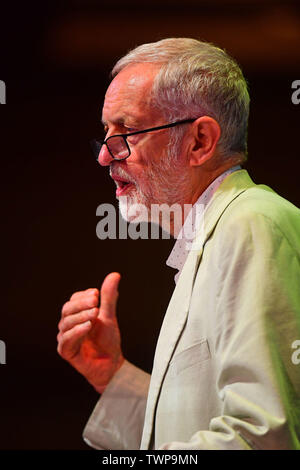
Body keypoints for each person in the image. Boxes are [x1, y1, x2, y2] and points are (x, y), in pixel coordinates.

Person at [57, 38, 300, 450]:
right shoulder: (218, 234)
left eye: (128, 132)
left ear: (200, 141)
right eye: (106, 134)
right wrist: (113, 375)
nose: (105, 157)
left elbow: (261, 437)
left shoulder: (252, 223)